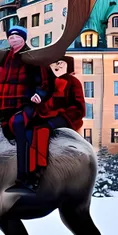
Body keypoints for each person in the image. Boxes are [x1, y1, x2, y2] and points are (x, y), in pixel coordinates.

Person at [0, 25, 53, 193]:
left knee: (19, 125)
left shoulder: (32, 57)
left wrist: (39, 93)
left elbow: (45, 81)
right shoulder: (5, 58)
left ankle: (25, 177)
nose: (14, 39)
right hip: (6, 105)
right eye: (11, 37)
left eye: (17, 36)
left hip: (26, 104)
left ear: (24, 39)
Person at [27, 56, 86, 185]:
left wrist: (62, 115)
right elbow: (46, 105)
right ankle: (31, 166)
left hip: (67, 118)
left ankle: (39, 168)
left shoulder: (73, 82)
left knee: (42, 130)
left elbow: (79, 107)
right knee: (32, 130)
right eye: (54, 62)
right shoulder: (49, 84)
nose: (57, 66)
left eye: (60, 63)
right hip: (49, 117)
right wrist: (39, 103)